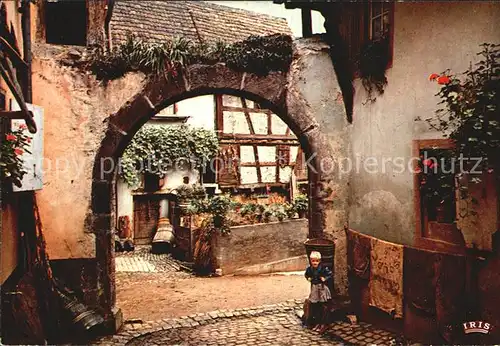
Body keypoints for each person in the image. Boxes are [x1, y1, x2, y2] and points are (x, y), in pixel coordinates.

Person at [304, 251, 332, 333]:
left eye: (316, 261)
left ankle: (324, 324)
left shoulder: (323, 268)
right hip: (315, 288)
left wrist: (325, 278)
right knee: (315, 305)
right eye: (313, 261)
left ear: (319, 261)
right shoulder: (310, 269)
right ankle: (317, 323)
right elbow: (307, 274)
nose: (315, 263)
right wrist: (308, 278)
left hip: (322, 288)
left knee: (323, 305)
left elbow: (329, 274)